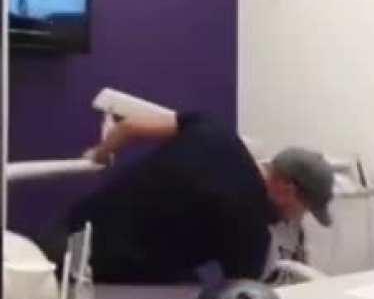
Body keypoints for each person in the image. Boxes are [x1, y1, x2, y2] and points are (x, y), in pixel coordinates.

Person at [60, 108, 334, 285]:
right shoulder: (249, 229)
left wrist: (100, 153)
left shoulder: (215, 130)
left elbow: (128, 126)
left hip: (71, 228)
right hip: (98, 272)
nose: (298, 219)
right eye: (304, 210)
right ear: (287, 191)